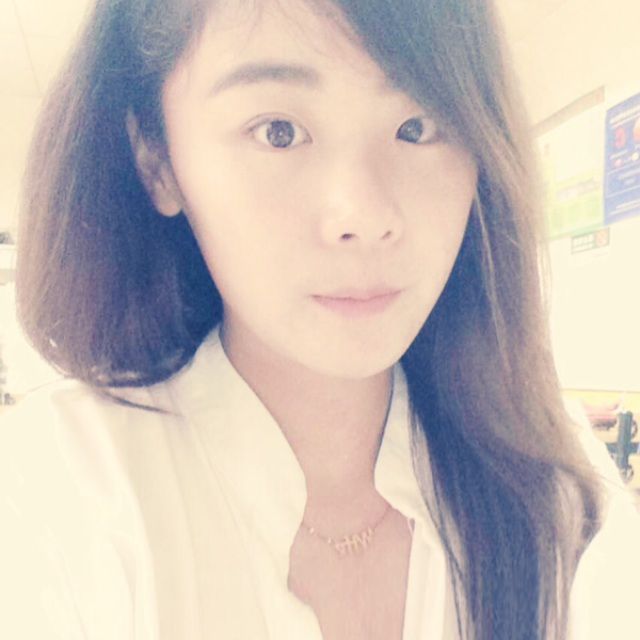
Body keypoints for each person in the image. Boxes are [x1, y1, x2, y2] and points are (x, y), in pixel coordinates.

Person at [1, 0, 638, 638]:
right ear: (157, 161)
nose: (364, 215)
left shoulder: (555, 490)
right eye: (279, 131)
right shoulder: (60, 495)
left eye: (418, 125)